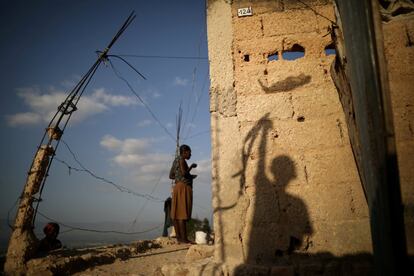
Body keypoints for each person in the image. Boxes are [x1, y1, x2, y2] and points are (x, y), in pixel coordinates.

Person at [170, 144, 197, 243]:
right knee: (182, 214)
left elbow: (171, 175)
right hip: (183, 188)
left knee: (176, 214)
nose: (190, 154)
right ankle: (184, 239)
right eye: (189, 152)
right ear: (184, 152)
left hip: (177, 187)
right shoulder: (182, 160)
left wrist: (180, 178)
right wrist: (191, 167)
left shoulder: (176, 160)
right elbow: (184, 173)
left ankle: (179, 238)